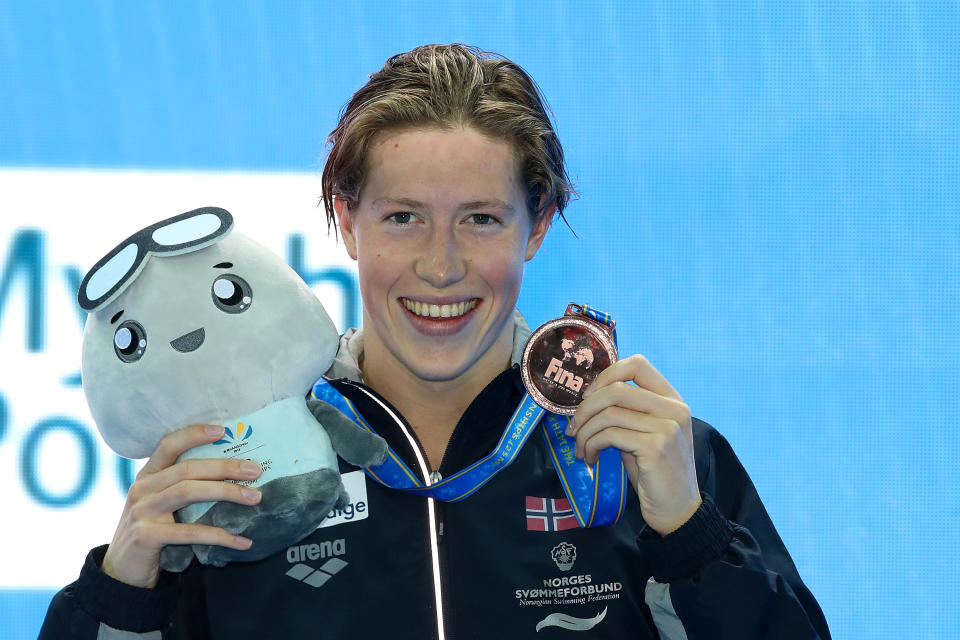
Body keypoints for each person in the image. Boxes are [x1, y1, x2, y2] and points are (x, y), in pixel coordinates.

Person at [41, 44, 831, 639]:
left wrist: (690, 538)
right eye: (403, 217)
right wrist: (123, 594)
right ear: (347, 223)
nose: (441, 265)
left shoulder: (642, 456)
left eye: (481, 219)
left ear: (538, 226)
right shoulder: (242, 476)